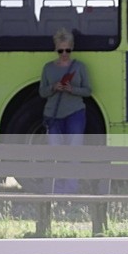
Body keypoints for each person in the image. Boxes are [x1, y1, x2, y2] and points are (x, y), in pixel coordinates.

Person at [39, 28, 92, 193]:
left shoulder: (80, 67)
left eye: (67, 50)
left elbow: (88, 91)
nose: (64, 54)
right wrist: (54, 87)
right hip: (53, 114)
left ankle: (70, 190)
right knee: (55, 152)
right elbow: (42, 92)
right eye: (60, 50)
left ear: (72, 48)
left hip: (75, 113)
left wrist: (71, 89)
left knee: (74, 151)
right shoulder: (48, 68)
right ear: (56, 49)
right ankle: (55, 190)